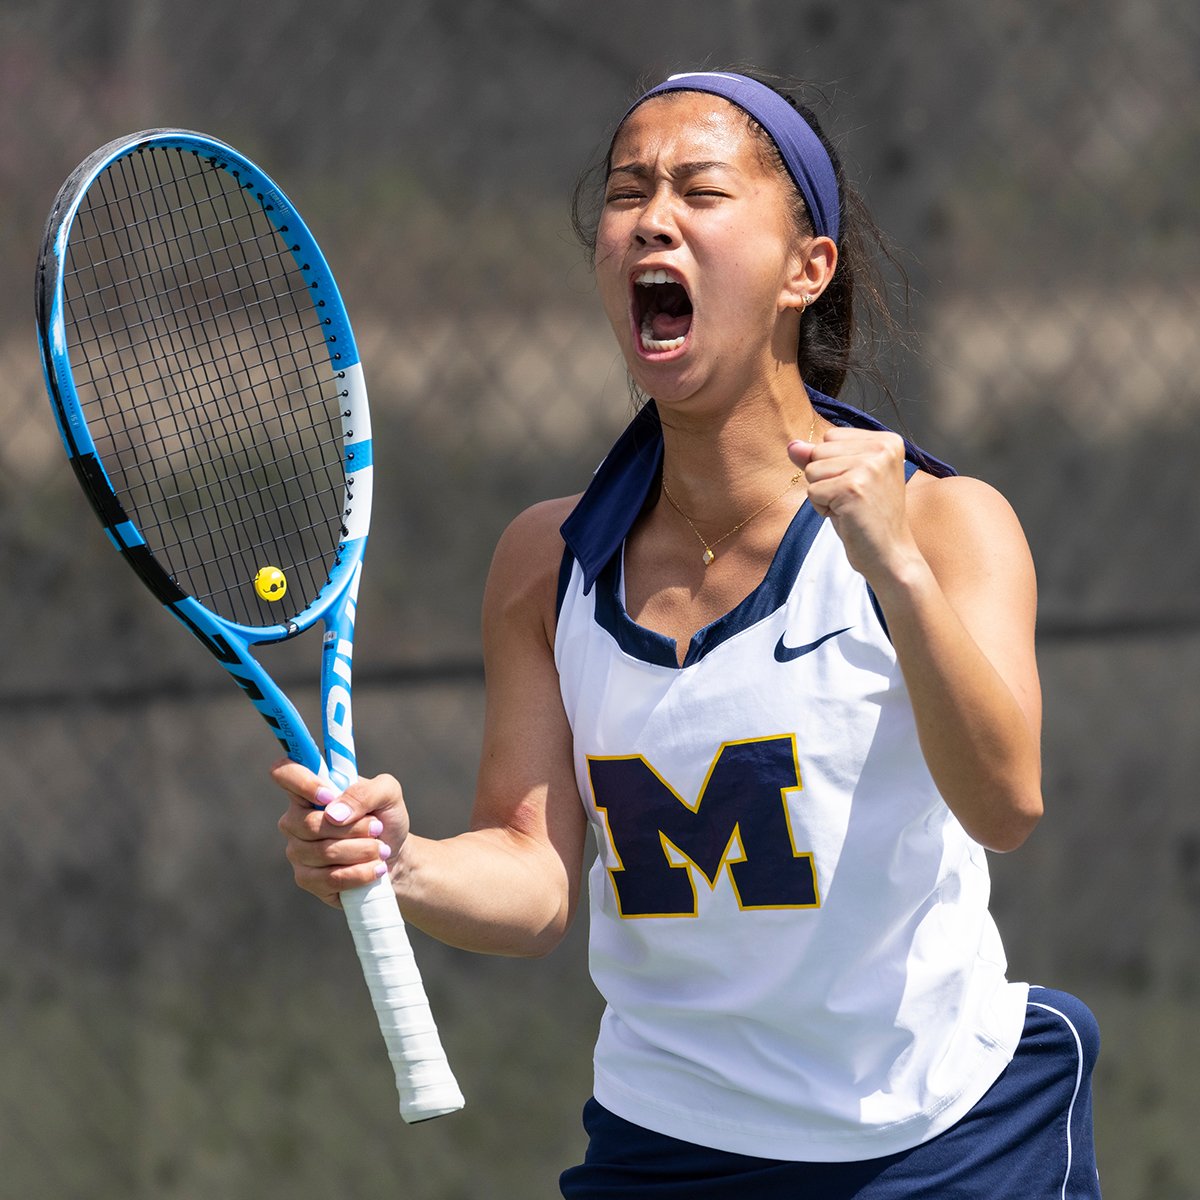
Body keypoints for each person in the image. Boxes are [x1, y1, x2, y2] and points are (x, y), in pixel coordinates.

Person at [274, 70, 1101, 1197]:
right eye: (627, 193)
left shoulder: (949, 523)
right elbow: (535, 884)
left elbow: (1006, 805)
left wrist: (890, 564)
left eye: (700, 189)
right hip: (670, 1149)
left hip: (944, 1141)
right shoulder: (544, 564)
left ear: (807, 270)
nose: (651, 217)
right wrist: (401, 865)